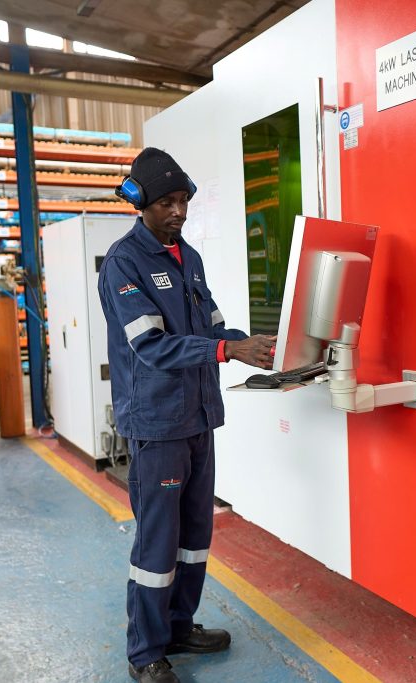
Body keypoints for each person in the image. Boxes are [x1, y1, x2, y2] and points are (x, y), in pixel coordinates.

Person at [98, 147, 275, 683]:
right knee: (157, 540)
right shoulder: (124, 263)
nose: (177, 211)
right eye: (166, 203)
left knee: (196, 533)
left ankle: (180, 625)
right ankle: (145, 651)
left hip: (198, 416)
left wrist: (265, 347)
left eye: (183, 201)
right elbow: (151, 345)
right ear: (139, 203)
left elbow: (215, 327)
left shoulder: (188, 258)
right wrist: (225, 353)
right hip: (156, 422)